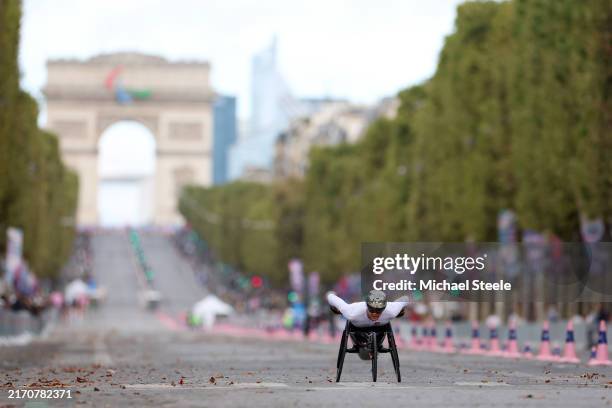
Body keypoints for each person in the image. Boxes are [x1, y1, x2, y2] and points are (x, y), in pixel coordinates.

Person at [327, 290, 408, 359]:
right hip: (358, 333)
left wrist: (401, 310)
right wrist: (334, 306)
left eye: (379, 310)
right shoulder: (351, 312)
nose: (375, 313)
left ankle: (377, 346)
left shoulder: (391, 311)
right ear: (367, 306)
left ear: (384, 308)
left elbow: (405, 299)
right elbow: (331, 297)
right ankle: (362, 346)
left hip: (379, 331)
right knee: (364, 355)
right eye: (372, 310)